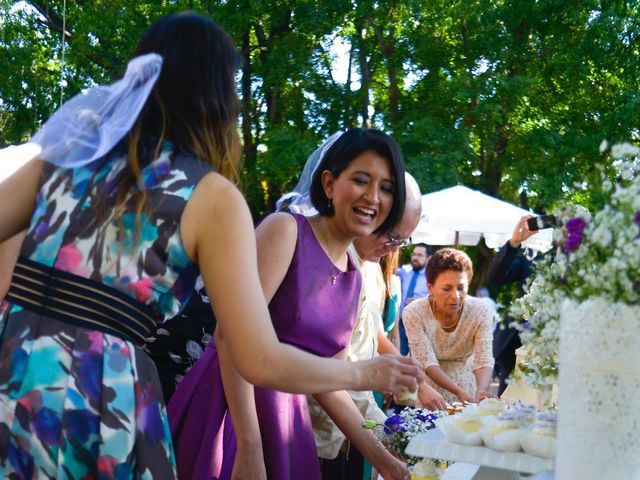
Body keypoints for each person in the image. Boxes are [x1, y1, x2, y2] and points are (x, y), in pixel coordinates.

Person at [0, 13, 423, 478]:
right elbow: (256, 356)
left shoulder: (65, 159)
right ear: (218, 98)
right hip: (97, 390)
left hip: (10, 360)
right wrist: (363, 373)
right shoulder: (213, 197)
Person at [168, 128, 413, 480]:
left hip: (286, 422)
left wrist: (385, 462)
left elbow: (330, 381)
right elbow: (228, 337)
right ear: (329, 183)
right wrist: (249, 445)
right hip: (231, 411)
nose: (373, 197)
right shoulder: (286, 230)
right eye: (361, 180)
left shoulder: (354, 277)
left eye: (387, 188)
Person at [309, 173, 447, 480]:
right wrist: (386, 434)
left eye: (402, 241)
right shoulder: (331, 267)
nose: (394, 249)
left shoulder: (370, 267)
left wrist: (410, 377)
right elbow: (332, 370)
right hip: (312, 423)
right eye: (391, 236)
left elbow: (372, 336)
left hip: (347, 425)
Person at [403, 248, 496, 404]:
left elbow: (484, 358)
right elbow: (428, 363)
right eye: (447, 288)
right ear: (430, 288)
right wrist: (458, 391)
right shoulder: (414, 313)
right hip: (430, 390)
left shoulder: (481, 310)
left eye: (461, 288)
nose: (455, 296)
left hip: (468, 384)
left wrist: (482, 390)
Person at [487, 215, 539, 395]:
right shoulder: (535, 260)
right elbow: (496, 276)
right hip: (516, 350)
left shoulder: (591, 266)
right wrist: (514, 242)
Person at [397, 242, 431, 355]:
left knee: (419, 360)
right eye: (414, 254)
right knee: (400, 356)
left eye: (420, 255)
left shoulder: (432, 278)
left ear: (428, 258)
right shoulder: (404, 272)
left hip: (421, 325)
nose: (415, 258)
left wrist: (422, 301)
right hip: (402, 323)